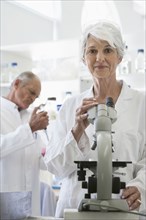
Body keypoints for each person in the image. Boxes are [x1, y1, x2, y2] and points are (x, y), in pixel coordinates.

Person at [44, 21, 146, 217]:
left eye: (108, 50)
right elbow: (55, 167)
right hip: (75, 210)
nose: (100, 58)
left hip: (125, 210)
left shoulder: (141, 104)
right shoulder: (69, 106)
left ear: (120, 56)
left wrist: (141, 186)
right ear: (84, 58)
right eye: (92, 51)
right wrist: (76, 132)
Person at [0, 71, 49, 217]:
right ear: (16, 84)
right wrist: (29, 129)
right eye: (31, 92)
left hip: (30, 199)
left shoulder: (30, 117)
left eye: (36, 96)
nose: (33, 99)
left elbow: (41, 159)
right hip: (4, 197)